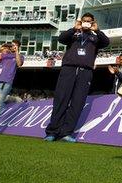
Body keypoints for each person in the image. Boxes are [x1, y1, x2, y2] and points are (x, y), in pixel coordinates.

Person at [44, 13, 109, 142]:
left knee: (77, 103)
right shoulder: (74, 35)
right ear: (80, 22)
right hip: (69, 69)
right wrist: (75, 28)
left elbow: (106, 43)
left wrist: (98, 30)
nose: (86, 23)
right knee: (61, 100)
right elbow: (61, 39)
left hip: (85, 72)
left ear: (92, 23)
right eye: (84, 21)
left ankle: (66, 133)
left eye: (89, 21)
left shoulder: (95, 38)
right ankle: (52, 132)